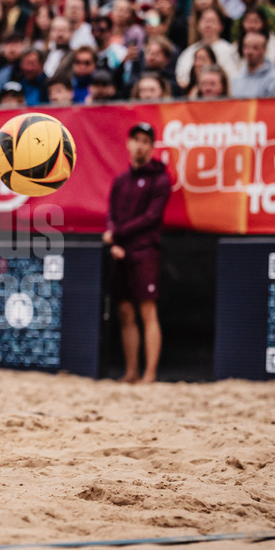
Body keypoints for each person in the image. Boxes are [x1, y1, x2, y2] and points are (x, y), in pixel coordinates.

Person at [103, 121, 170, 384]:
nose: (140, 145)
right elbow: (111, 214)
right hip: (121, 252)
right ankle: (131, 371)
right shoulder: (121, 180)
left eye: (146, 141)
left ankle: (150, 373)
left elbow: (151, 218)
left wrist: (116, 234)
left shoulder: (160, 179)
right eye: (136, 140)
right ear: (129, 143)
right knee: (125, 312)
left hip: (145, 252)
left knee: (147, 311)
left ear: (152, 147)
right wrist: (114, 240)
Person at [232, 30, 275, 97]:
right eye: (246, 47)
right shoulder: (236, 78)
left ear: (264, 50)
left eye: (255, 48)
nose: (249, 52)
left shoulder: (274, 78)